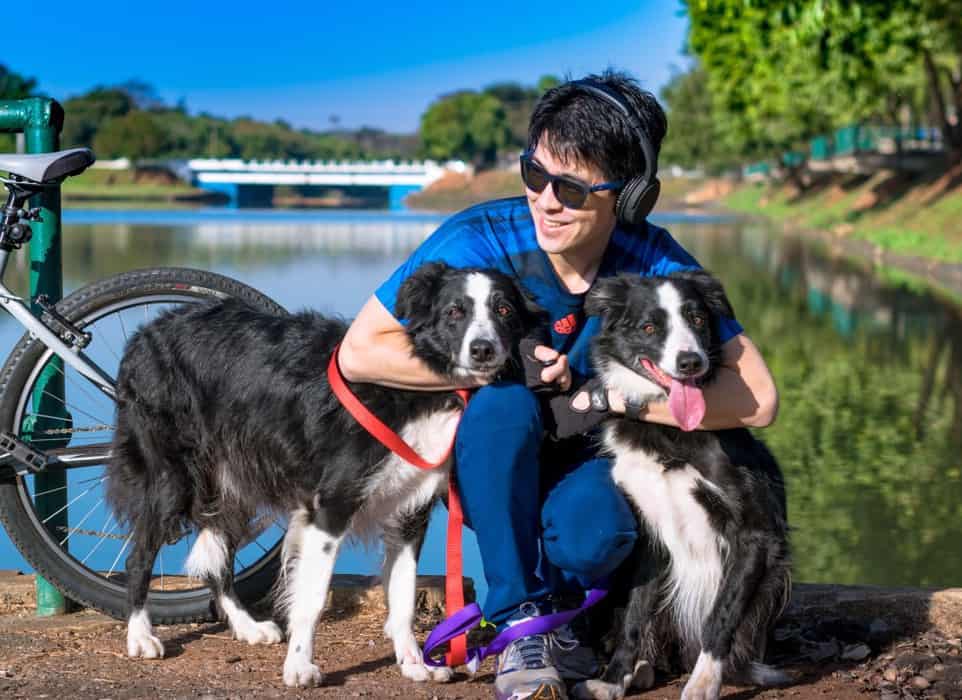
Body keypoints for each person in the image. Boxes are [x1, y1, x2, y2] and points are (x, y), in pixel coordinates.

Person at [339, 70, 778, 700]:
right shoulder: (480, 237)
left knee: (600, 534)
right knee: (503, 405)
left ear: (627, 198)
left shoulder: (654, 261)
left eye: (571, 187)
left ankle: (568, 614)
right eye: (534, 174)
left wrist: (619, 399)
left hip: (591, 452)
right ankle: (520, 623)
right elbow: (360, 353)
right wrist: (490, 367)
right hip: (494, 452)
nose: (546, 199)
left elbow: (759, 399)